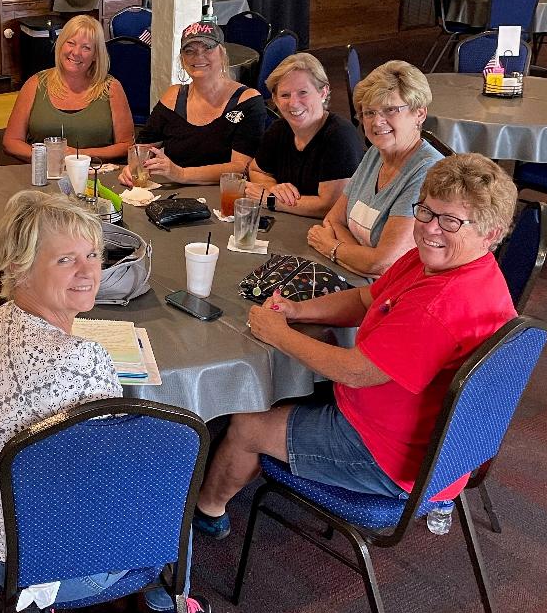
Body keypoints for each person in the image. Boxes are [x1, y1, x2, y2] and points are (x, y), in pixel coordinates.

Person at [194, 154, 517, 537]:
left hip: (390, 456)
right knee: (275, 393)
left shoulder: (440, 306)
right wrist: (298, 310)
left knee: (247, 425)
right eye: (427, 212)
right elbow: (368, 299)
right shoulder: (442, 263)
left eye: (451, 221)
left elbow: (356, 371)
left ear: (491, 233)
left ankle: (205, 513)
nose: (431, 229)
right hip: (429, 441)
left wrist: (279, 333)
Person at [0, 190, 211, 613]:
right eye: (65, 260)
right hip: (39, 561)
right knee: (174, 486)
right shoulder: (82, 360)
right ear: (20, 268)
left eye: (93, 254)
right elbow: (108, 475)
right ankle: (170, 608)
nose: (89, 271)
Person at [307, 61, 442, 277]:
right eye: (369, 113)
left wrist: (332, 247)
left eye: (390, 110)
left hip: (399, 294)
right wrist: (363, 258)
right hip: (359, 279)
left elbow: (384, 264)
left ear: (419, 114)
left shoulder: (428, 173)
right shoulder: (375, 154)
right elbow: (333, 220)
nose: (377, 122)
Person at [119, 20, 265, 187]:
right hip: (174, 195)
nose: (198, 56)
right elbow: (143, 148)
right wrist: (133, 167)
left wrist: (181, 173)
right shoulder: (173, 96)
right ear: (182, 59)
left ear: (222, 53)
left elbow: (240, 168)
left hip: (223, 196)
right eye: (190, 51)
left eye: (207, 48)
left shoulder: (247, 101)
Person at [244, 53, 364, 217]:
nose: (293, 103)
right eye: (285, 95)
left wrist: (272, 200)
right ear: (275, 99)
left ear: (323, 92)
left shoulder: (340, 136)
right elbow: (257, 171)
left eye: (303, 92)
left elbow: (329, 206)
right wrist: (274, 187)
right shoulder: (279, 129)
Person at [3, 13, 134, 162]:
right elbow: (11, 142)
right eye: (71, 43)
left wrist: (79, 155)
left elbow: (126, 145)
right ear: (60, 44)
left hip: (97, 177)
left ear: (96, 55)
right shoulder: (35, 84)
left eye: (86, 48)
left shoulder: (112, 88)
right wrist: (48, 156)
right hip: (42, 176)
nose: (76, 52)